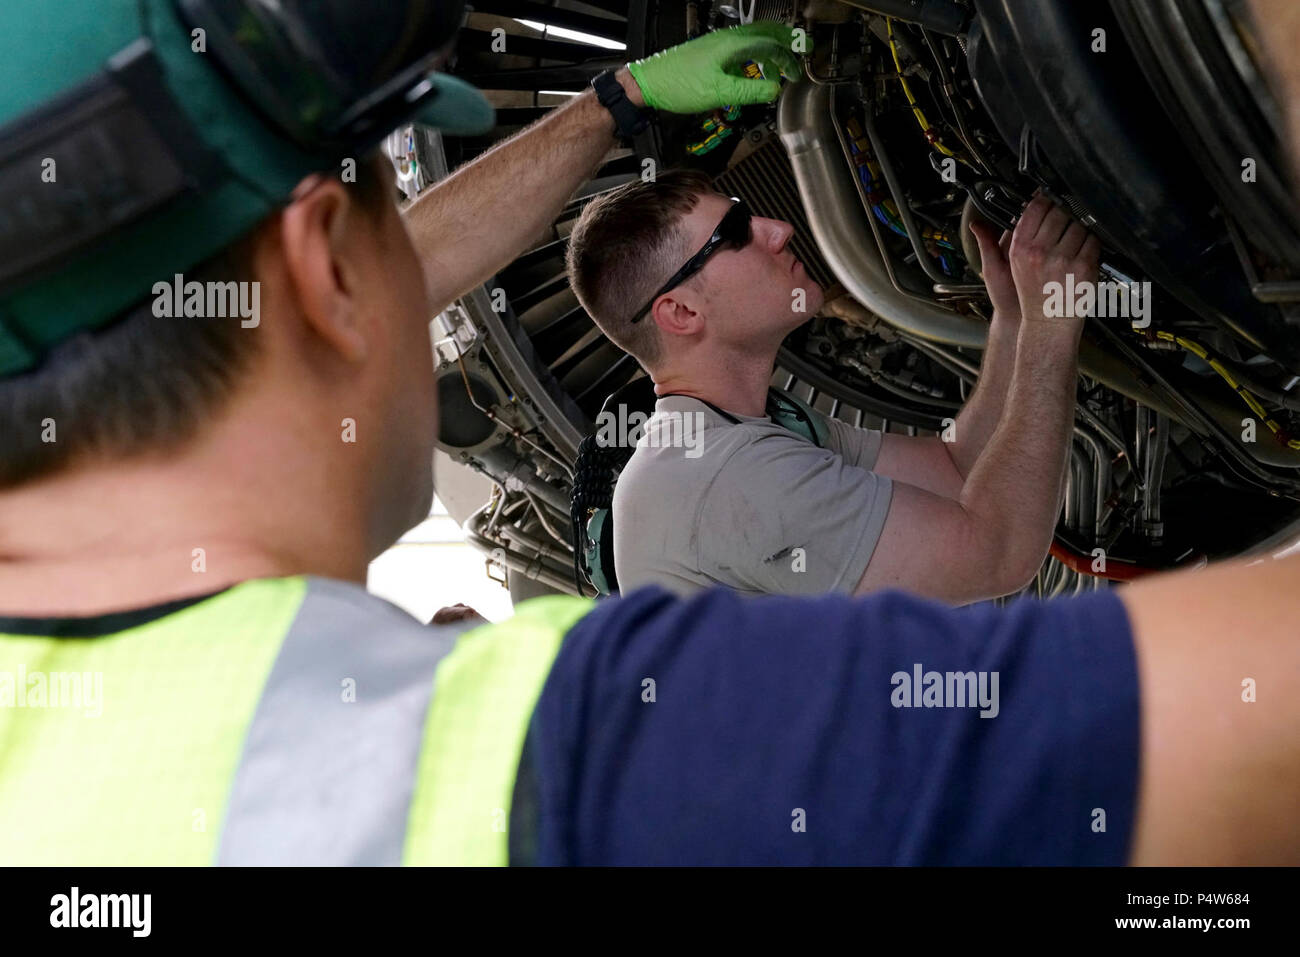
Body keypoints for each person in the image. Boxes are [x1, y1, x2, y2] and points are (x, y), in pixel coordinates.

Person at [0, 1, 1297, 866]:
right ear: (332, 275)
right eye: (388, 210)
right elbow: (1243, 726)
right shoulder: (530, 759)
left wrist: (616, 107)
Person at [565, 172, 1094, 602]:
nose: (776, 229)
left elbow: (953, 470)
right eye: (735, 233)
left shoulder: (758, 423)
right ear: (680, 312)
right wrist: (1053, 325)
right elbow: (996, 555)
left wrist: (1015, 319)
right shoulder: (726, 474)